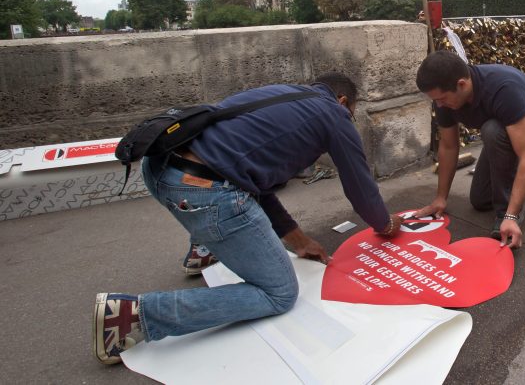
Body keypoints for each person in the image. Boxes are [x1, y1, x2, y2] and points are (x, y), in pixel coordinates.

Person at [93, 73, 404, 364]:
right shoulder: (334, 114)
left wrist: (297, 240)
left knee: (230, 188)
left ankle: (203, 250)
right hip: (203, 192)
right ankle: (132, 315)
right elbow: (360, 188)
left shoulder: (284, 95)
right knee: (279, 293)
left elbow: (253, 181)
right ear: (343, 101)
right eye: (350, 112)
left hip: (160, 169)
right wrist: (385, 225)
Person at [414, 51, 525, 249]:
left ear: (462, 84)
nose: (439, 105)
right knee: (481, 200)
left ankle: (508, 211)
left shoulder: (503, 88)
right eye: (435, 100)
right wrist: (440, 198)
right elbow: (449, 146)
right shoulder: (444, 98)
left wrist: (511, 214)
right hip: (509, 132)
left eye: (442, 99)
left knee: (493, 130)